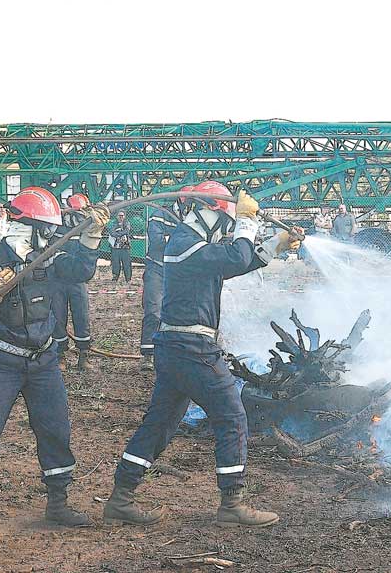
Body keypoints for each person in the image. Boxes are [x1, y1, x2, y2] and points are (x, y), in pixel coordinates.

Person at [103, 181, 301, 529]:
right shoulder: (186, 243)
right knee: (232, 417)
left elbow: (238, 261)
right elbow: (236, 256)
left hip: (176, 347)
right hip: (191, 349)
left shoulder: (193, 245)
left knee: (160, 424)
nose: (227, 230)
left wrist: (276, 243)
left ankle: (121, 498)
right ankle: (232, 503)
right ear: (212, 214)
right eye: (226, 223)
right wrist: (246, 221)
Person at [0, 186, 109, 539]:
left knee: (55, 428)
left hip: (44, 361)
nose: (52, 234)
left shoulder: (49, 256)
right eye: (47, 228)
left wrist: (92, 236)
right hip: (2, 361)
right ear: (29, 226)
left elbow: (80, 271)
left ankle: (58, 503)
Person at [50, 194, 95, 372]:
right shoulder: (56, 226)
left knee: (81, 315)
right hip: (57, 277)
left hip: (77, 279)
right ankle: (60, 354)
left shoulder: (87, 226)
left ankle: (84, 354)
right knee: (57, 316)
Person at [140, 201, 180, 372]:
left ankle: (173, 353)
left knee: (179, 313)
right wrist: (184, 239)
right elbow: (157, 241)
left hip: (178, 270)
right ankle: (149, 355)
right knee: (154, 311)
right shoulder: (160, 215)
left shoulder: (194, 216)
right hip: (157, 268)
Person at [108, 210, 133, 283]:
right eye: (119, 216)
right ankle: (115, 278)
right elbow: (112, 233)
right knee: (115, 263)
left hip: (125, 247)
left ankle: (128, 279)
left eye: (122, 216)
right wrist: (120, 233)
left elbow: (126, 231)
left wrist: (117, 233)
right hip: (115, 247)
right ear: (117, 216)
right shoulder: (113, 223)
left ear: (124, 216)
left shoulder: (127, 223)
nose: (121, 217)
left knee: (127, 263)